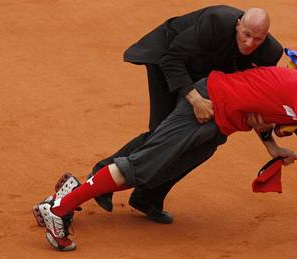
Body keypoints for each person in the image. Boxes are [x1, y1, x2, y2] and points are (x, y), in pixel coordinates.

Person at [34, 65, 297, 251]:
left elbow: (264, 110)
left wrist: (272, 147)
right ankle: (59, 208)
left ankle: (68, 194)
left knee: (165, 168)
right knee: (139, 166)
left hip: (219, 124)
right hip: (203, 108)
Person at [90, 5, 283, 222]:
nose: (250, 44)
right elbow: (171, 58)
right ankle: (100, 178)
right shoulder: (217, 22)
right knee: (163, 135)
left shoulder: (270, 53)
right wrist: (195, 99)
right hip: (169, 60)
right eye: (246, 34)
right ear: (238, 23)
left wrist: (270, 141)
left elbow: (251, 98)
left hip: (205, 78)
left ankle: (148, 197)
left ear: (266, 37)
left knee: (203, 144)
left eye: (257, 39)